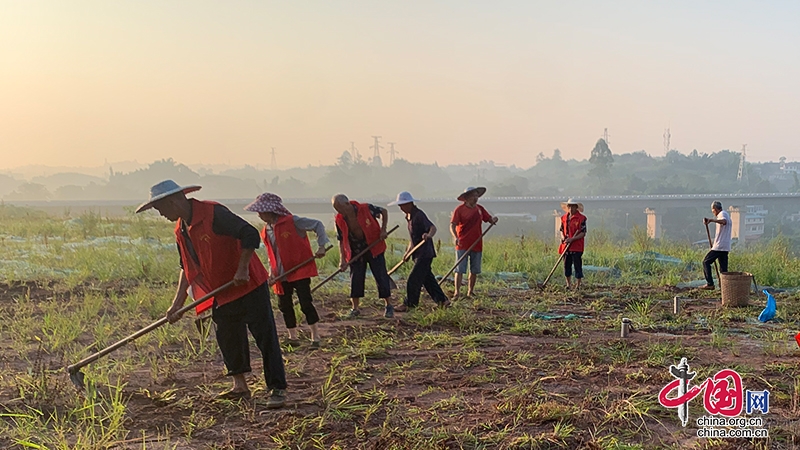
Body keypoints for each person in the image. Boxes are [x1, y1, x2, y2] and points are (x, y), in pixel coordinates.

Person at [136, 180, 286, 407]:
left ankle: (277, 389)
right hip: (221, 290)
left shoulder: (213, 213)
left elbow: (249, 234)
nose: (161, 214)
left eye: (161, 209)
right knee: (227, 336)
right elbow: (186, 267)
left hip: (248, 284)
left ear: (174, 201)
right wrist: (176, 304)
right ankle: (240, 386)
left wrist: (243, 268)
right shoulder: (181, 229)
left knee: (265, 337)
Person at [245, 192, 329, 349]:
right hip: (280, 275)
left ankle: (315, 337)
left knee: (305, 303)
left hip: (299, 270)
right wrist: (271, 274)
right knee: (285, 305)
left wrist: (322, 246)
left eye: (261, 211)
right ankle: (293, 337)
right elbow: (272, 255)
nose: (259, 215)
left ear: (271, 210)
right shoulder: (265, 231)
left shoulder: (293, 221)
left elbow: (317, 224)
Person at [332, 193, 395, 318]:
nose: (340, 212)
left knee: (380, 275)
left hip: (374, 247)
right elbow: (341, 240)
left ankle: (388, 305)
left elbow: (384, 211)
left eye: (341, 209)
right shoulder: (339, 219)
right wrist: (342, 260)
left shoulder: (366, 208)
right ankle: (355, 309)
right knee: (355, 278)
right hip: (356, 251)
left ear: (347, 203)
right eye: (337, 210)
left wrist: (383, 229)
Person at [388, 191, 450, 311]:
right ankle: (443, 301)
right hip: (416, 253)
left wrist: (428, 235)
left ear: (410, 203)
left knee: (413, 279)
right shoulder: (409, 217)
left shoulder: (419, 215)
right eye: (400, 205)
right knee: (428, 280)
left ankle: (410, 304)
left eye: (403, 205)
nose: (401, 208)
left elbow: (432, 228)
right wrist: (407, 252)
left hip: (425, 253)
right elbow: (413, 238)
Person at [449, 187, 498, 299]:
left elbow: (489, 219)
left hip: (477, 243)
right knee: (460, 269)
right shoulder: (459, 210)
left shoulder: (480, 209)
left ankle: (470, 291)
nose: (475, 198)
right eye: (473, 196)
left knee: (474, 270)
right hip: (462, 243)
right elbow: (452, 225)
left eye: (476, 196)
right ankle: (457, 292)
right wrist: (455, 237)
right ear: (466, 198)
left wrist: (493, 219)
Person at [702, 201, 731, 290]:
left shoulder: (723, 214)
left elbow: (723, 222)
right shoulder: (726, 214)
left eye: (713, 211)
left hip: (719, 246)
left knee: (706, 262)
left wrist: (711, 220)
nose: (713, 213)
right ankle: (724, 287)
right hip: (725, 247)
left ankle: (710, 283)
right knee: (723, 270)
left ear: (715, 209)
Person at [559, 198, 587, 290]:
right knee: (566, 265)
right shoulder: (563, 218)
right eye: (569, 206)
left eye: (573, 206)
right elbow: (561, 230)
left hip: (576, 246)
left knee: (577, 265)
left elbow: (583, 232)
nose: (571, 208)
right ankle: (568, 284)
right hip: (566, 246)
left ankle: (578, 285)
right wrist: (564, 238)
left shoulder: (581, 218)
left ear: (576, 207)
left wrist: (573, 239)